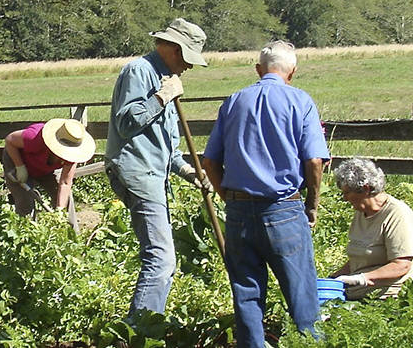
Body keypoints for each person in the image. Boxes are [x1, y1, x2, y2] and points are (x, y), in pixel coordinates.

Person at [202, 40, 329, 348]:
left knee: (246, 294)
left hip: (238, 212)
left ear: (258, 70)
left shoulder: (234, 101)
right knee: (301, 294)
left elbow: (209, 161)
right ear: (293, 72)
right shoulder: (300, 101)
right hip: (283, 208)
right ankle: (308, 344)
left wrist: (226, 197)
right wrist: (312, 205)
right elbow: (313, 160)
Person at [105, 17, 212, 319]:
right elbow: (126, 124)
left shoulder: (166, 78)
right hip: (137, 173)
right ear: (171, 48)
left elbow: (167, 149)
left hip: (152, 173)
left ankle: (143, 325)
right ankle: (140, 329)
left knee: (162, 258)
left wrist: (191, 172)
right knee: (161, 260)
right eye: (186, 57)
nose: (188, 66)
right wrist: (162, 97)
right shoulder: (140, 71)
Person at [331, 158, 413, 300]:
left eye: (347, 192)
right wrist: (333, 278)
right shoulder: (361, 212)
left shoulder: (397, 214)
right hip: (355, 294)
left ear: (366, 189)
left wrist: (362, 279)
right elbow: (361, 260)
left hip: (383, 299)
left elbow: (402, 265)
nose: (344, 198)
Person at [2, 118, 96, 234]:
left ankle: (72, 234)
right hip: (17, 162)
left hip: (43, 169)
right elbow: (10, 140)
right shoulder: (34, 137)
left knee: (65, 198)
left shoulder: (73, 154)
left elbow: (65, 182)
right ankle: (25, 236)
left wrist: (60, 210)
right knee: (25, 202)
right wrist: (19, 166)